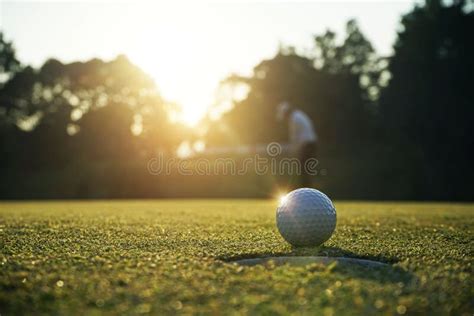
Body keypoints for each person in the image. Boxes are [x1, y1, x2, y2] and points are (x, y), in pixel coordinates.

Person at [276, 101, 318, 188]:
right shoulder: (298, 115)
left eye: (284, 115)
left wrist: (294, 151)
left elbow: (294, 138)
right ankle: (306, 189)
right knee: (306, 169)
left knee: (304, 170)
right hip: (310, 144)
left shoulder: (294, 118)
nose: (284, 118)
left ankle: (305, 190)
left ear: (286, 112)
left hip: (307, 145)